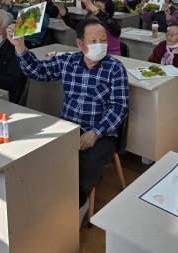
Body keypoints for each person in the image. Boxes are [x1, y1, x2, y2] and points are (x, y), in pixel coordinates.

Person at [8, 18, 129, 225]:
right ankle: (51, 198)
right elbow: (37, 70)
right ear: (80, 44)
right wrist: (20, 47)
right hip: (68, 126)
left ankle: (78, 203)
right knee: (44, 156)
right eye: (93, 41)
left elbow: (119, 107)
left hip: (101, 132)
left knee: (87, 164)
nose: (100, 45)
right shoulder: (68, 61)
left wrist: (95, 133)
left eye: (103, 40)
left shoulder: (115, 68)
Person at [148, 21, 178, 116]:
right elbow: (150, 63)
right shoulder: (161, 46)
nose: (168, 36)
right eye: (167, 33)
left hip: (177, 89)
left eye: (172, 35)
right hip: (157, 83)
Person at [57, 0, 122, 55]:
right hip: (91, 57)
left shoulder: (112, 25)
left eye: (99, 8)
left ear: (108, 13)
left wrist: (93, 7)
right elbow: (71, 22)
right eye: (94, 7)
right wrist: (61, 8)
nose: (93, 10)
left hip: (111, 58)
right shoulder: (89, 23)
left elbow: (114, 27)